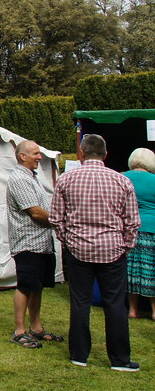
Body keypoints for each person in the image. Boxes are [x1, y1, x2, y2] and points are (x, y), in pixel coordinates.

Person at [51, 134, 140, 370]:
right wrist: (125, 247)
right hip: (113, 249)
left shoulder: (66, 180)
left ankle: (79, 355)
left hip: (79, 249)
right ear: (105, 154)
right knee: (115, 304)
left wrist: (69, 242)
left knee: (80, 303)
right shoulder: (121, 181)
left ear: (81, 153)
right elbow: (132, 221)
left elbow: (56, 219)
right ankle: (119, 359)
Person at [5, 139, 61, 348]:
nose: (40, 157)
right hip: (28, 242)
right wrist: (62, 219)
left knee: (37, 287)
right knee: (26, 286)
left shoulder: (32, 176)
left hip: (42, 242)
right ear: (22, 156)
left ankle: (36, 327)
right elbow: (35, 211)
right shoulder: (19, 178)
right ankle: (20, 331)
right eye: (36, 154)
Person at [124, 148, 155, 320]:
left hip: (130, 229)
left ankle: (132, 310)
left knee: (132, 270)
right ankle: (154, 310)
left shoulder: (122, 178)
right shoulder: (154, 180)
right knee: (151, 269)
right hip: (152, 229)